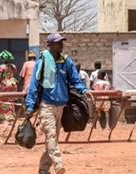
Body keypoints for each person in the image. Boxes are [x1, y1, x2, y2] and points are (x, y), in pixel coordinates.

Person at [25, 33, 93, 174]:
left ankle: (43, 169)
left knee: (53, 140)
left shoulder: (66, 62)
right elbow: (33, 85)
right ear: (50, 45)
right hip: (46, 106)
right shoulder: (41, 62)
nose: (61, 45)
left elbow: (75, 79)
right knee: (51, 136)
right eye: (58, 43)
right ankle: (58, 165)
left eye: (62, 42)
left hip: (61, 107)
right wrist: (30, 105)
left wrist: (84, 90)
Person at [0, 50, 18, 121]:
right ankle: (11, 115)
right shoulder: (13, 66)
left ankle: (5, 116)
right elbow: (14, 74)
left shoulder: (2, 66)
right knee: (11, 100)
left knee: (3, 99)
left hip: (4, 84)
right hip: (13, 84)